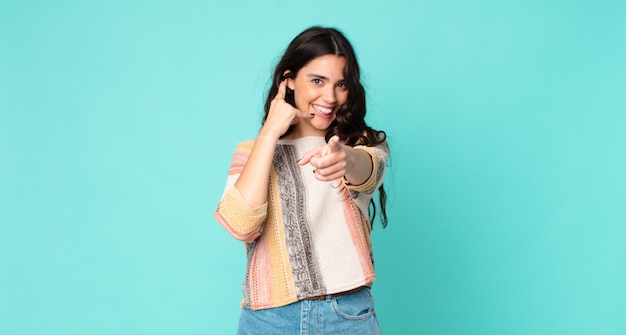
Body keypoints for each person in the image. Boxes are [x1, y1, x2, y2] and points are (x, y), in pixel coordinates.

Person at [215, 26, 389, 335]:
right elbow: (241, 224)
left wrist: (346, 159)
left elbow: (369, 169)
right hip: (268, 320)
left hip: (346, 315)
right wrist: (269, 132)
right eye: (318, 80)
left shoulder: (358, 144)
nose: (330, 96)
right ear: (289, 80)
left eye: (341, 84)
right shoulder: (251, 153)